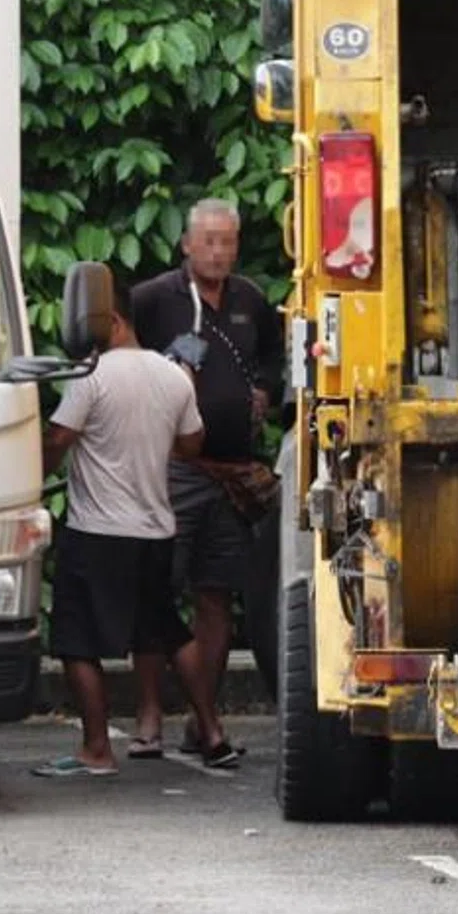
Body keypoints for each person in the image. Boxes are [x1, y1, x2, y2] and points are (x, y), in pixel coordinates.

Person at [33, 280, 241, 777]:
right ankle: (212, 731)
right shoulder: (172, 377)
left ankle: (97, 748)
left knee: (76, 638)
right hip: (155, 530)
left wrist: (30, 472)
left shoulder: (92, 377)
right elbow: (193, 443)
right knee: (166, 630)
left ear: (114, 320)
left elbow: (60, 436)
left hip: (98, 530)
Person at [128, 197, 284, 758]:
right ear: (187, 244)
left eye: (228, 240)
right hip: (173, 468)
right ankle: (149, 717)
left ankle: (203, 715)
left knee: (216, 595)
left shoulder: (251, 300)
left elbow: (272, 356)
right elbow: (120, 354)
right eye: (208, 240)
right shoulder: (154, 298)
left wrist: (265, 388)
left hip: (232, 474)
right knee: (155, 592)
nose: (218, 250)